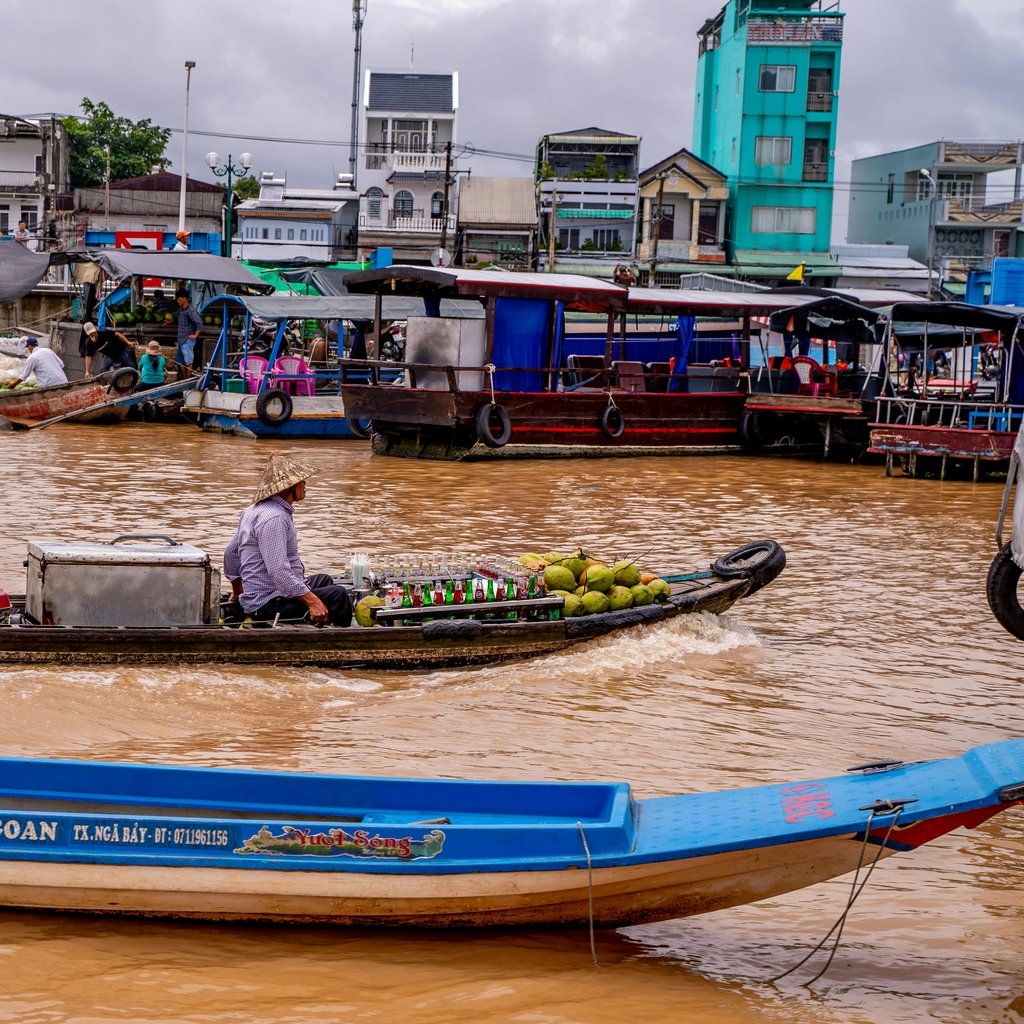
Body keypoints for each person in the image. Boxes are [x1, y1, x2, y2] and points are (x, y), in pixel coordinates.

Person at [223, 454, 352, 627]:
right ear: (288, 488)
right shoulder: (275, 518)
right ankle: (341, 644)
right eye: (302, 482)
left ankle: (317, 625)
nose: (305, 486)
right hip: (267, 604)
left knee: (325, 579)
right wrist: (312, 602)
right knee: (339, 595)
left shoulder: (253, 510)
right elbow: (278, 571)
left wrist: (237, 592)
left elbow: (231, 552)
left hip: (262, 595)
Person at [2, 337, 67, 389]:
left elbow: (23, 376)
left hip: (50, 386)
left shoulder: (32, 357)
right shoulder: (48, 350)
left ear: (30, 346)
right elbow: (61, 365)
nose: (28, 349)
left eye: (27, 347)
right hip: (63, 381)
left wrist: (13, 385)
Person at [174, 289, 203, 372]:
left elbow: (199, 322)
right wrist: (169, 321)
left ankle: (187, 381)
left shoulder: (191, 310)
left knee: (188, 362)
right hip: (180, 340)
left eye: (179, 299)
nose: (178, 301)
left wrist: (195, 335)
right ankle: (183, 379)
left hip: (187, 340)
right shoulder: (181, 309)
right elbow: (175, 316)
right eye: (177, 299)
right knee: (178, 362)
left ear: (185, 298)